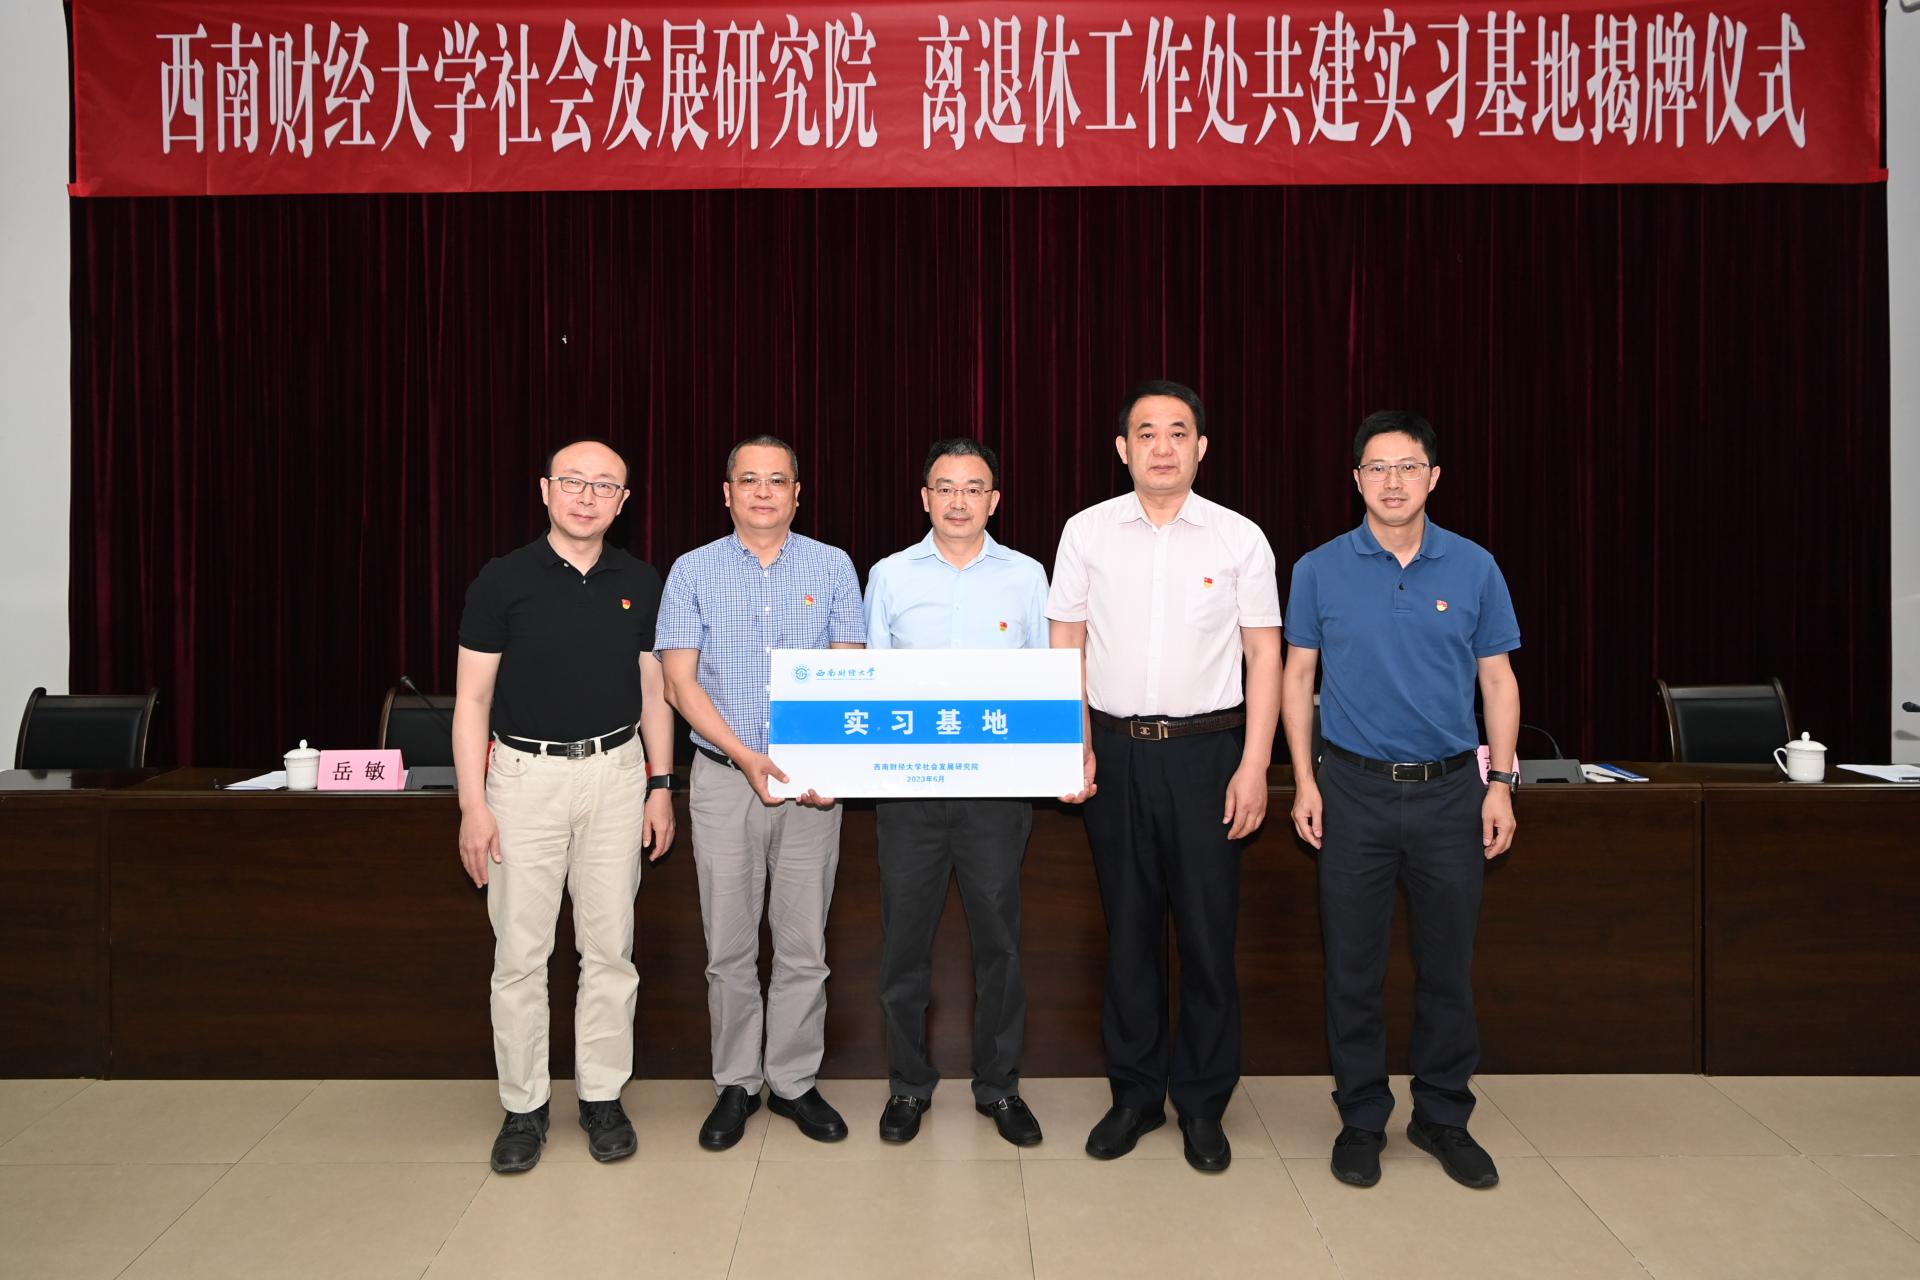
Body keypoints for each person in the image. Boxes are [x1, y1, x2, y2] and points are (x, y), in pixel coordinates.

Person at [1280, 410, 1520, 1191]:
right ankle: (1361, 1117)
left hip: (1452, 793)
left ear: (1434, 477)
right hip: (1352, 792)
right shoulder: (1318, 568)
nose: (1393, 482)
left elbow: (1498, 681)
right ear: (1356, 479)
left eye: (1408, 466)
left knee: (1447, 966)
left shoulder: (1475, 566)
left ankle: (1442, 1115)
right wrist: (1305, 780)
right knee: (1353, 968)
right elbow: (1297, 678)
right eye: (1377, 468)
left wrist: (1501, 783)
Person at [1047, 380, 1282, 1173]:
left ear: (1201, 447)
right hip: (1115, 752)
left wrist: (1255, 765)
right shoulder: (1086, 532)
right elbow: (1067, 643)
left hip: (1209, 755)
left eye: (1177, 432)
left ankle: (1204, 1103)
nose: (1162, 446)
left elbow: (1264, 656)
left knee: (1209, 937)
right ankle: (1136, 1095)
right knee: (1130, 934)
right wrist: (1075, 745)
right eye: (1145, 432)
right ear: (1123, 449)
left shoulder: (1239, 538)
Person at [453, 438, 678, 1174]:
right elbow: (472, 701)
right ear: (545, 489)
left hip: (617, 775)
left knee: (610, 949)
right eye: (574, 482)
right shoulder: (502, 579)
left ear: (623, 502)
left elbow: (654, 690)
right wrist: (473, 806)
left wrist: (660, 785)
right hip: (524, 780)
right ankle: (523, 1106)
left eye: (604, 486)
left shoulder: (640, 580)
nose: (587, 497)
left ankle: (602, 1096)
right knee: (521, 954)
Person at [656, 434, 865, 1150]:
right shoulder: (693, 569)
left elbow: (848, 675)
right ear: (727, 493)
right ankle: (737, 1083)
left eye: (778, 480)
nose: (764, 492)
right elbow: (678, 682)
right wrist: (746, 756)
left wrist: (828, 767)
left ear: (797, 494)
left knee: (805, 946)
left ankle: (795, 1081)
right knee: (729, 947)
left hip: (810, 790)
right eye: (749, 480)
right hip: (723, 779)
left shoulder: (832, 566)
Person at [863, 438, 1051, 1146]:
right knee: (904, 945)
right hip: (908, 795)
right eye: (945, 487)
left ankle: (1000, 1087)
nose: (959, 501)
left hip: (996, 797)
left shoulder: (1027, 576)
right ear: (925, 498)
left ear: (994, 500)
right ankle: (908, 1086)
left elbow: (1047, 678)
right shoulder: (888, 575)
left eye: (974, 488)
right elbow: (869, 680)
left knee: (1000, 943)